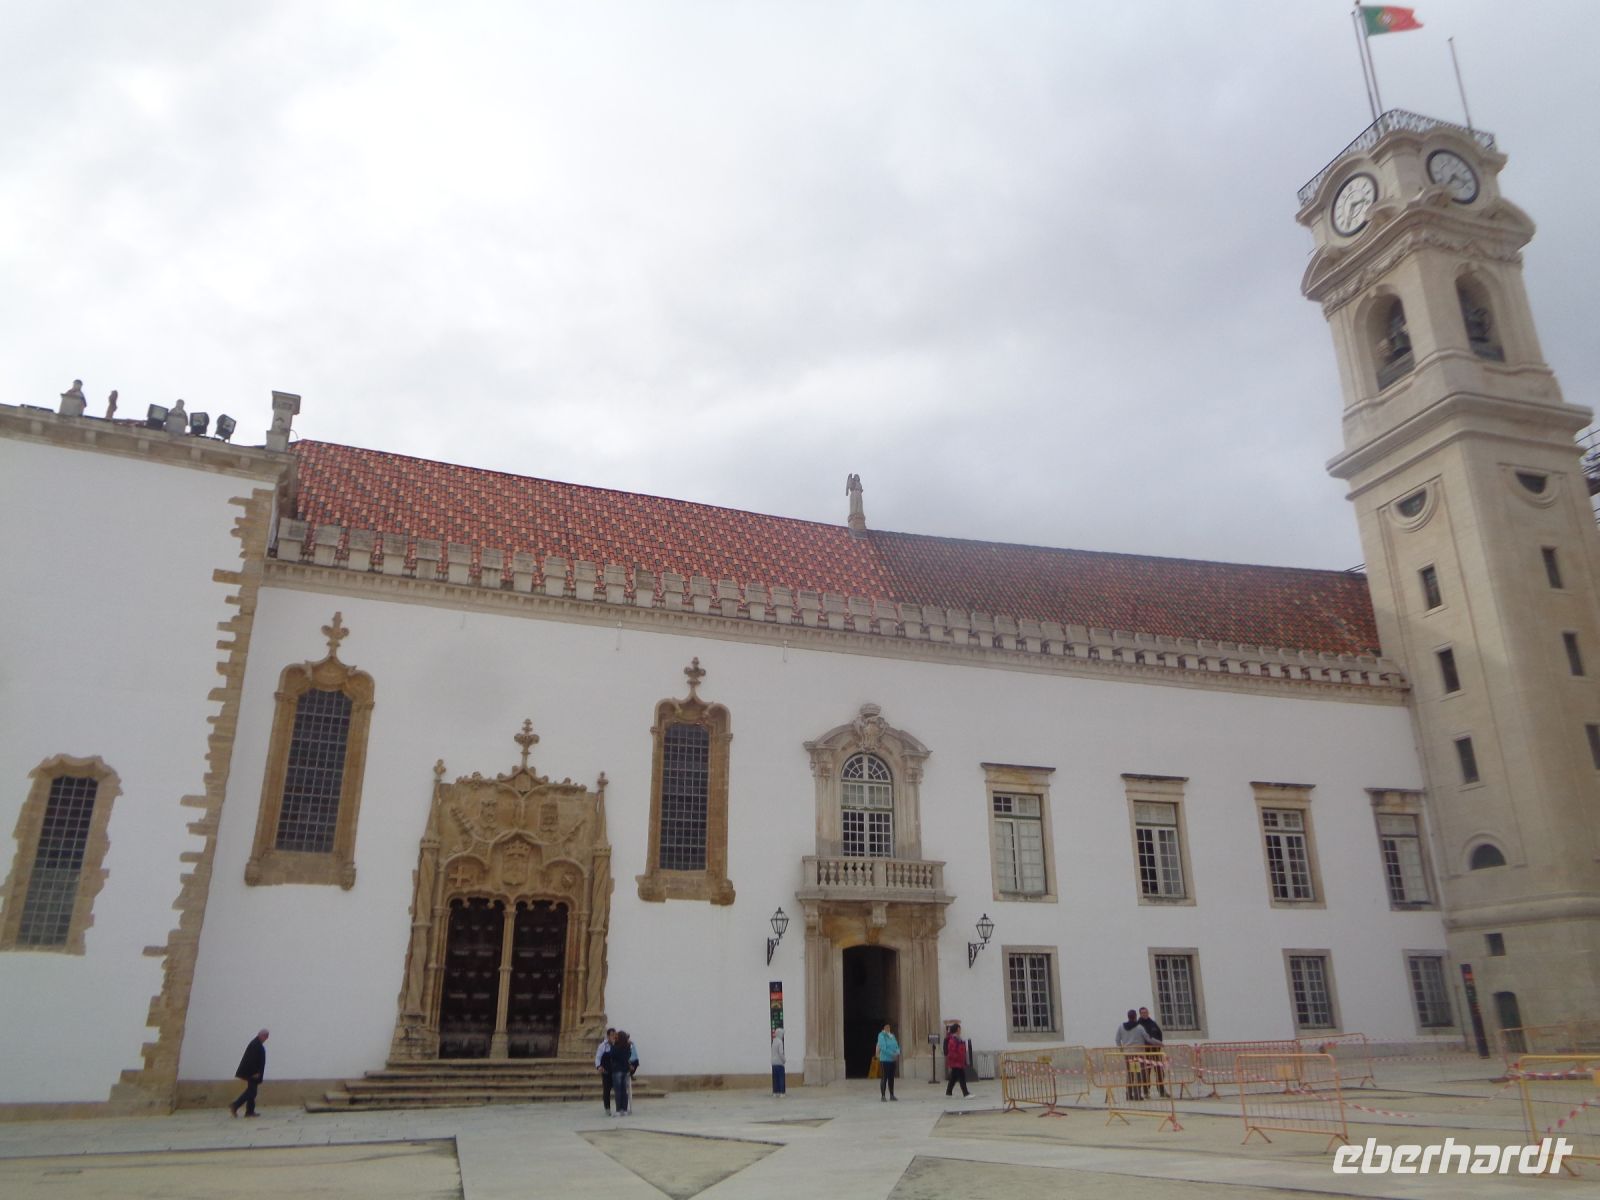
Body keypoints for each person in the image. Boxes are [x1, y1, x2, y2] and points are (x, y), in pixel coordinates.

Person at [1114, 1009, 1155, 1100]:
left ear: (1128, 1016)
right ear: (1136, 1016)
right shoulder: (1139, 1027)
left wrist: (1121, 1049)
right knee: (1137, 1073)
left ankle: (1128, 1094)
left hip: (1128, 1054)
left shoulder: (1121, 1027)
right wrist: (1158, 1042)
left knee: (1130, 1073)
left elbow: (1117, 1039)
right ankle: (1137, 1094)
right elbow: (1148, 1039)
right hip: (1138, 1054)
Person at [229, 1029, 269, 1117]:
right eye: (265, 1036)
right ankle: (235, 1105)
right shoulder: (255, 1045)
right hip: (252, 1073)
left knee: (252, 1092)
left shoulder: (257, 1044)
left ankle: (249, 1111)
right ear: (261, 1035)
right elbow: (251, 1060)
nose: (266, 1039)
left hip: (253, 1073)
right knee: (251, 1092)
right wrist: (255, 1072)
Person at [603, 1029, 636, 1116]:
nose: (615, 1038)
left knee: (618, 1091)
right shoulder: (627, 1047)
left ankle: (618, 1110)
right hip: (625, 1071)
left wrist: (613, 1044)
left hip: (617, 1071)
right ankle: (624, 1110)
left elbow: (612, 1054)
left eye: (617, 1036)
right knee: (624, 1091)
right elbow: (628, 1056)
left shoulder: (616, 1047)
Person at [1137, 1006, 1168, 1098]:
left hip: (1155, 1052)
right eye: (1142, 1013)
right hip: (1145, 1053)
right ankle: (1146, 1092)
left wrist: (1158, 1045)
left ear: (1148, 1013)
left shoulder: (1153, 1024)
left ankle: (1162, 1091)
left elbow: (1159, 1035)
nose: (1144, 1014)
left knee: (1159, 1072)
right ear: (1140, 1014)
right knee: (1145, 1073)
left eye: (1145, 1012)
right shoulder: (1138, 1025)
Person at [943, 1022, 970, 1098]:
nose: (960, 1031)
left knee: (953, 1078)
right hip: (956, 1061)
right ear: (956, 1030)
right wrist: (957, 1058)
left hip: (958, 1061)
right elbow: (952, 1051)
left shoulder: (957, 1038)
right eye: (959, 1029)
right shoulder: (953, 1039)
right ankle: (966, 1093)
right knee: (962, 1077)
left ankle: (948, 1092)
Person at [876, 1022, 901, 1101]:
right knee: (884, 1078)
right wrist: (892, 1054)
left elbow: (897, 1045)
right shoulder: (881, 1035)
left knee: (891, 1078)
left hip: (892, 1060)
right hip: (885, 1060)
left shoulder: (892, 1036)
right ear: (883, 1028)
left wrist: (897, 1052)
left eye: (889, 1027)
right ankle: (883, 1096)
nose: (888, 1028)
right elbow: (883, 1047)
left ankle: (892, 1095)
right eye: (886, 1027)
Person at [595, 1027, 617, 1115]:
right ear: (608, 1036)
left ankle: (620, 1108)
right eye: (612, 1035)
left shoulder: (616, 1045)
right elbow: (598, 1057)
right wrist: (598, 1066)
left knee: (618, 1090)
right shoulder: (602, 1046)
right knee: (606, 1090)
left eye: (614, 1035)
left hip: (615, 1071)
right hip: (606, 1071)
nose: (613, 1037)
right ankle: (607, 1108)